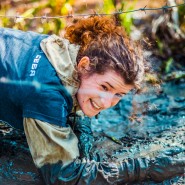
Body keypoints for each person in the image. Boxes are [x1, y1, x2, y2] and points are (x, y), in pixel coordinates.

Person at [0, 16, 184, 185]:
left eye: (118, 95)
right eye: (105, 87)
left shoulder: (63, 53)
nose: (105, 103)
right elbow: (64, 177)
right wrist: (143, 168)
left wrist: (82, 132)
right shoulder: (47, 95)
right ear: (84, 65)